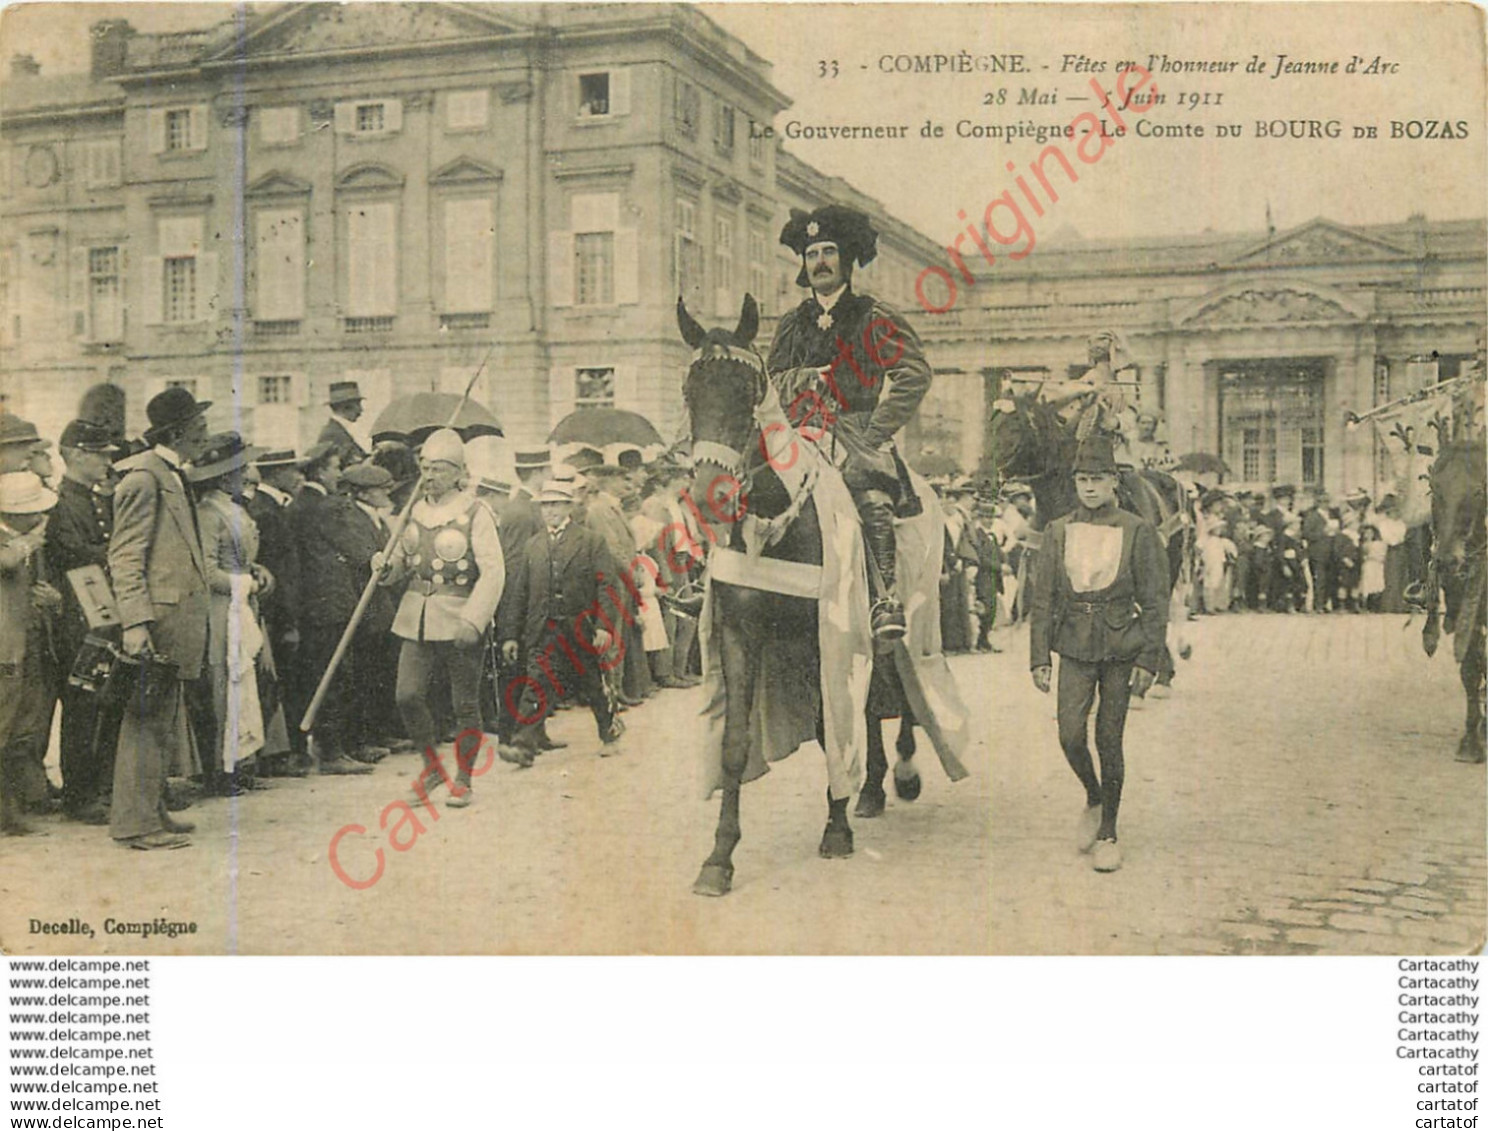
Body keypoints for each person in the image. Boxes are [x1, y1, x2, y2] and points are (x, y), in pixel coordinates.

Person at [767, 204, 933, 643]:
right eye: (811, 253)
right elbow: (772, 381)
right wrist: (807, 379)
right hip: (799, 432)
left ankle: (884, 597)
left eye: (828, 251)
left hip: (856, 431)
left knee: (871, 498)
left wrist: (876, 432)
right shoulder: (791, 323)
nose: (819, 261)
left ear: (847, 259)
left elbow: (914, 375)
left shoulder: (873, 316)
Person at [1029, 435, 1170, 874]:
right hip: (1073, 644)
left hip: (1120, 646)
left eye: (1098, 479)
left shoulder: (1137, 530)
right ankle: (1093, 794)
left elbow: (1155, 600)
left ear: (1114, 482)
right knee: (1070, 734)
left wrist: (1149, 659)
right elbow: (1043, 597)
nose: (1090, 488)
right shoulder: (1057, 531)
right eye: (1083, 480)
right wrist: (1039, 656)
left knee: (1109, 738)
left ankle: (1108, 830)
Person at [108, 386, 215, 850]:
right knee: (145, 721)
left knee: (161, 721)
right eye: (200, 428)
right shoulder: (143, 479)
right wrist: (135, 622)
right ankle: (136, 823)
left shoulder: (170, 473)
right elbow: (125, 557)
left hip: (175, 619)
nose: (206, 435)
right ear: (177, 432)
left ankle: (151, 809)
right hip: (158, 619)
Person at [375, 429, 504, 806]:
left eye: (439, 469)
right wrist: (384, 566)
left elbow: (494, 571)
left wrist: (474, 620)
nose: (429, 475)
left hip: (461, 615)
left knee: (464, 702)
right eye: (425, 468)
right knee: (407, 695)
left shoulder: (476, 512)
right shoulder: (412, 511)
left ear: (459, 472)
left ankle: (463, 778)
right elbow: (400, 563)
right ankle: (432, 768)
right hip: (416, 614)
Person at [191, 433, 292, 791]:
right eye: (240, 470)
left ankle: (243, 762)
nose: (248, 474)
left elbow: (243, 559)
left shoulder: (235, 509)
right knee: (226, 684)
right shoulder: (207, 513)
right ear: (224, 477)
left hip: (243, 603)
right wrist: (243, 582)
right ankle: (220, 770)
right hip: (222, 611)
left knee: (250, 684)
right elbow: (206, 569)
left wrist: (257, 570)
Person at [498, 478, 622, 767]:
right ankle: (524, 746)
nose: (550, 511)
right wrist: (511, 635)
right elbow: (520, 593)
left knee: (593, 684)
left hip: (581, 628)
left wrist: (604, 626)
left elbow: (607, 586)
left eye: (556, 504)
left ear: (569, 506)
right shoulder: (533, 545)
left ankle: (609, 733)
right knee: (536, 683)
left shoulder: (591, 541)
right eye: (545, 505)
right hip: (543, 629)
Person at [45, 419, 124, 822]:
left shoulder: (92, 499)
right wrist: (111, 552)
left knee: (104, 702)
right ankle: (80, 794)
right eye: (99, 455)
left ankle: (98, 788)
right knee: (83, 705)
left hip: (100, 615)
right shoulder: (60, 501)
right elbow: (73, 551)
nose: (106, 462)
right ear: (75, 454)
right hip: (77, 620)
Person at [288, 443, 374, 775]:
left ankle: (323, 748)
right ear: (321, 471)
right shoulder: (324, 508)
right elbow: (356, 549)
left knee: (321, 675)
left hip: (312, 606)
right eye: (336, 467)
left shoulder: (300, 504)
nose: (340, 473)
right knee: (335, 676)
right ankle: (332, 751)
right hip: (329, 605)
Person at [0, 472, 64, 834]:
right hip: (5, 653)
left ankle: (11, 813)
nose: (39, 516)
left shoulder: (28, 543)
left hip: (31, 648)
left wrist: (53, 602)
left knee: (22, 731)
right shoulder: (20, 544)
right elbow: (7, 562)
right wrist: (28, 542)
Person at [246, 450, 306, 774]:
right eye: (291, 470)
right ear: (277, 473)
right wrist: (287, 620)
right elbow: (279, 573)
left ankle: (280, 752)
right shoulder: (267, 513)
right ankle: (281, 754)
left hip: (279, 610)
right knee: (281, 682)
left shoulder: (271, 508)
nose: (297, 476)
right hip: (278, 612)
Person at [341, 462, 401, 759]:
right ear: (363, 494)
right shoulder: (353, 520)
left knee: (379, 670)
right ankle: (361, 740)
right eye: (380, 489)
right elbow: (362, 558)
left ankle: (379, 732)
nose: (387, 494)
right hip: (364, 606)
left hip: (380, 606)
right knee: (364, 673)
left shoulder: (376, 519)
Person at [317, 380, 372, 467]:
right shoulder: (332, 434)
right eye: (358, 404)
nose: (361, 410)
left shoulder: (341, 429)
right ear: (345, 406)